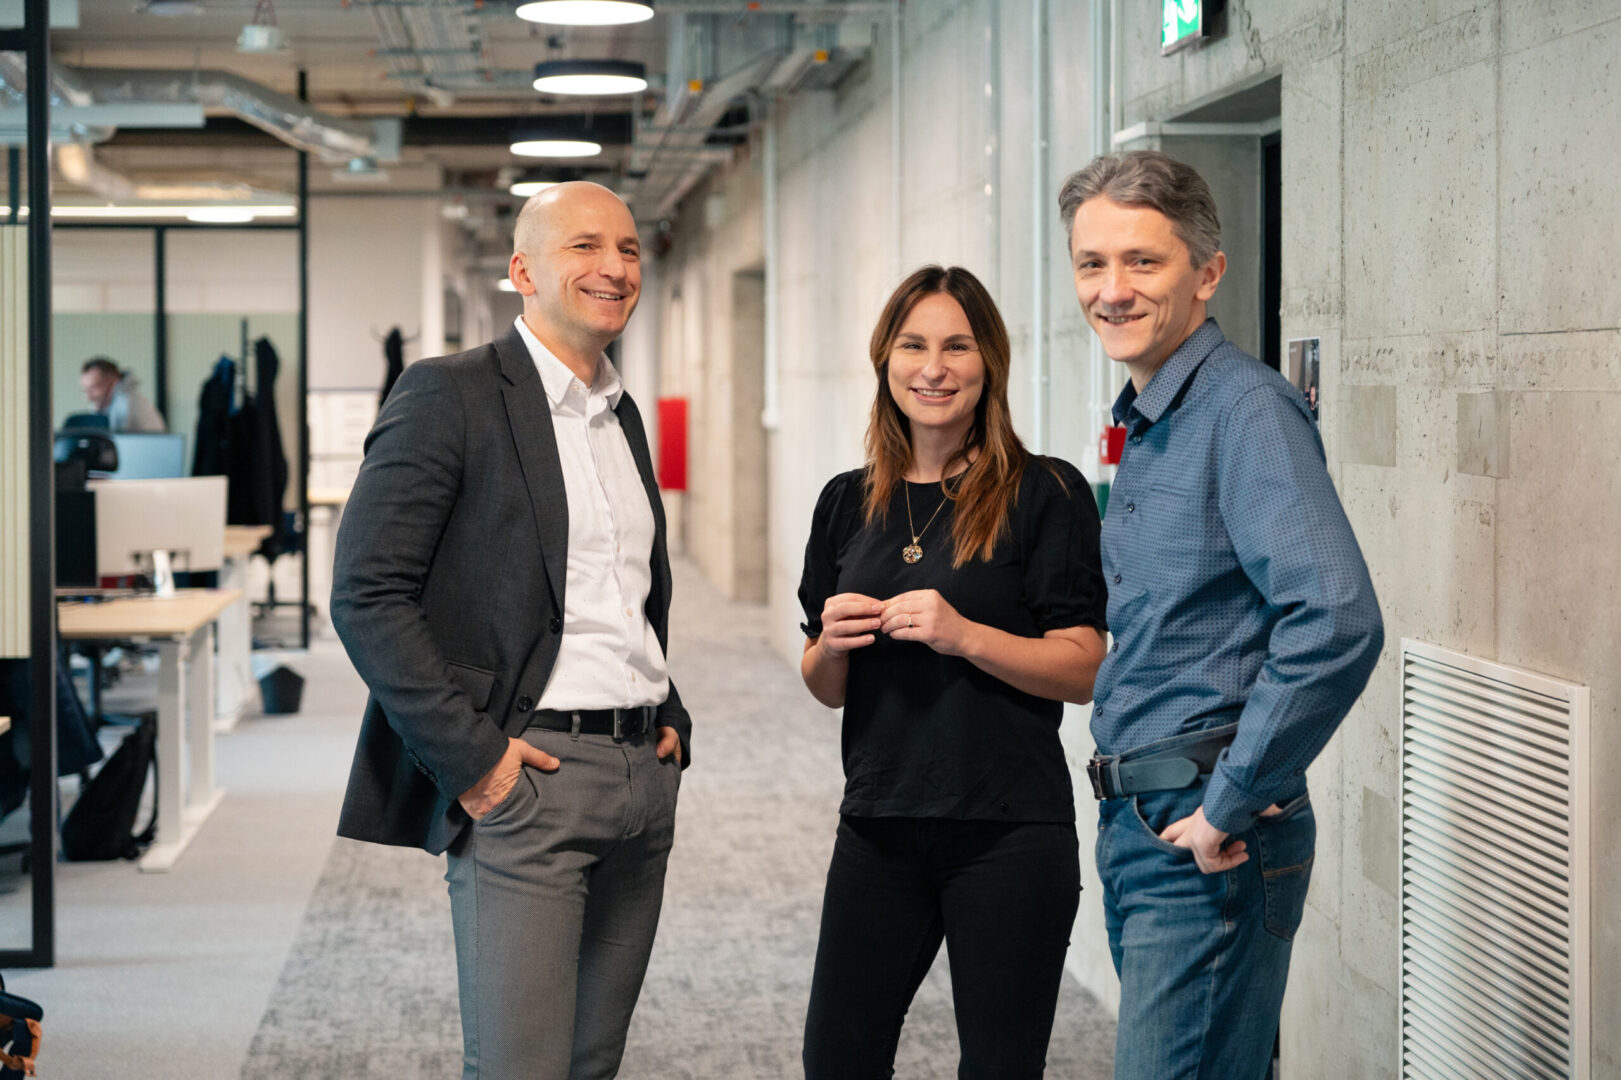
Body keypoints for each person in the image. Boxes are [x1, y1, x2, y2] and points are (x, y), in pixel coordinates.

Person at [329, 181, 691, 1080]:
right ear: (521, 270)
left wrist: (668, 707)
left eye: (629, 247)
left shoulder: (620, 413)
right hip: (529, 781)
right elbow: (367, 593)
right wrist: (474, 764)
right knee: (520, 1066)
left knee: (591, 1062)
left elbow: (620, 590)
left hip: (643, 779)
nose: (613, 266)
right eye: (583, 246)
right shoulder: (448, 395)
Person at [1059, 149, 1383, 1079]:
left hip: (1208, 834)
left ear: (1207, 272)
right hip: (1144, 821)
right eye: (1091, 263)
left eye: (1142, 262)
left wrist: (1225, 802)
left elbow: (1335, 617)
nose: (1112, 290)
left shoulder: (1244, 412)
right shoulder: (1155, 416)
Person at [797, 264, 1110, 1079]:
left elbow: (1082, 668)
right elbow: (826, 687)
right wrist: (828, 646)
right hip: (878, 823)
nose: (932, 367)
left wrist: (964, 633)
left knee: (1000, 1068)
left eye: (956, 346)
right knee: (837, 1060)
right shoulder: (844, 503)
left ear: (988, 364)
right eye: (913, 345)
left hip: (1006, 829)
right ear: (885, 361)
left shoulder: (1045, 492)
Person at [79, 357, 166, 432]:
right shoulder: (107, 405)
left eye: (95, 388)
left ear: (113, 381)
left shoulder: (129, 404)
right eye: (86, 390)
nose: (89, 398)